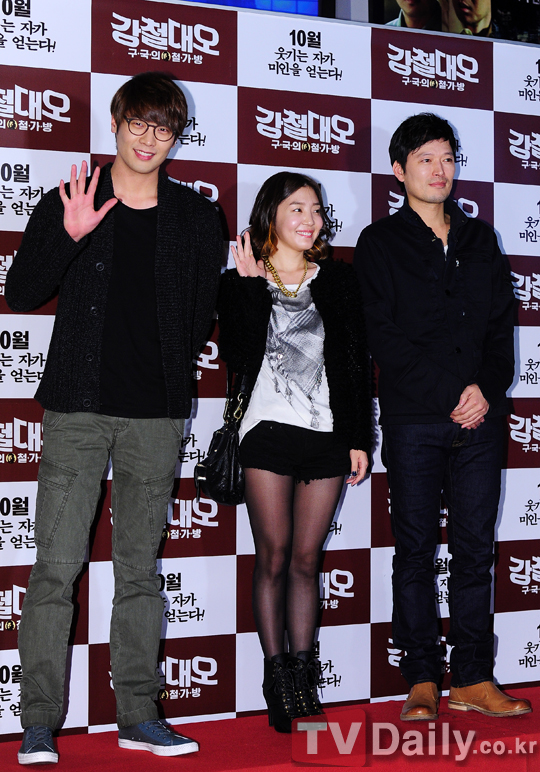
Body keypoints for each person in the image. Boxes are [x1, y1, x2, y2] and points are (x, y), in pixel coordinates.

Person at [5, 71, 223, 763]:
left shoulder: (197, 219)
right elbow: (21, 291)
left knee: (139, 571)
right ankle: (39, 720)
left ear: (176, 136)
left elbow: (199, 318)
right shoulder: (74, 197)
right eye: (139, 122)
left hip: (154, 418)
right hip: (77, 409)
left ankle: (139, 714)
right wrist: (68, 236)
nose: (149, 138)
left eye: (164, 127)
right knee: (55, 567)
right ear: (116, 122)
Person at [354, 113, 531, 722]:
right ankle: (423, 679)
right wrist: (454, 391)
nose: (439, 169)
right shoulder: (379, 242)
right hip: (414, 421)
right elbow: (384, 337)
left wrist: (484, 390)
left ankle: (474, 678)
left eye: (448, 158)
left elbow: (501, 326)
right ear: (398, 170)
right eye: (425, 159)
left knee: (476, 550)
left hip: (481, 420)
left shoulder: (482, 239)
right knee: (415, 551)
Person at [217, 172, 371, 733]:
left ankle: (304, 679)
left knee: (308, 561)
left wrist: (359, 438)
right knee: (275, 556)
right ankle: (277, 678)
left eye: (317, 210)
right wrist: (245, 286)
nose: (310, 219)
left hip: (326, 435)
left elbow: (355, 366)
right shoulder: (243, 279)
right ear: (271, 216)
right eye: (297, 209)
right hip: (266, 434)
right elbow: (236, 356)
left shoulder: (339, 280)